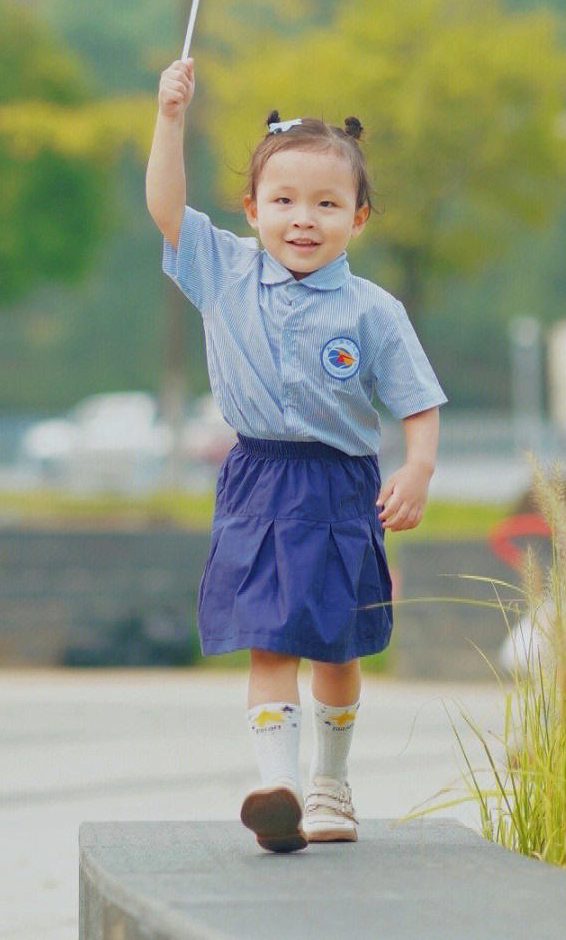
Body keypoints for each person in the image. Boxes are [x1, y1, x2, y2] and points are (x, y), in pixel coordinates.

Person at [146, 57, 446, 853]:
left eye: (326, 204)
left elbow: (417, 400)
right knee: (268, 632)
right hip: (257, 476)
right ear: (251, 209)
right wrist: (170, 119)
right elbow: (168, 211)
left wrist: (416, 469)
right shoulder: (227, 275)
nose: (302, 219)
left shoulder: (371, 309)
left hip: (341, 483)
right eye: (282, 202)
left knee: (335, 645)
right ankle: (274, 785)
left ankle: (330, 785)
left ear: (360, 216)